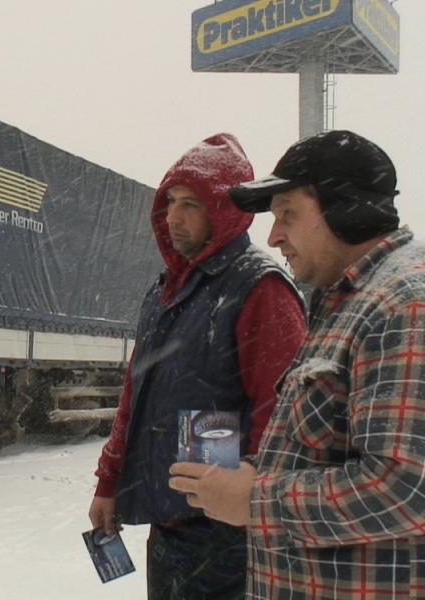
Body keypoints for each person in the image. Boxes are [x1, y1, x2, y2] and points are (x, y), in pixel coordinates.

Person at [168, 129, 424, 599]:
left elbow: (406, 487)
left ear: (347, 210)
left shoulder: (403, 307)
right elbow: (316, 447)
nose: (273, 234)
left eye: (288, 213)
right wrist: (247, 471)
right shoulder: (346, 301)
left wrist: (256, 499)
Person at [89, 133, 306, 599]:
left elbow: (284, 415)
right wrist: (109, 482)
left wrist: (254, 497)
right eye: (170, 202)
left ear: (225, 212)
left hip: (229, 535)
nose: (173, 217)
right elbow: (136, 395)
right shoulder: (166, 291)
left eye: (192, 204)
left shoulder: (260, 288)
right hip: (169, 527)